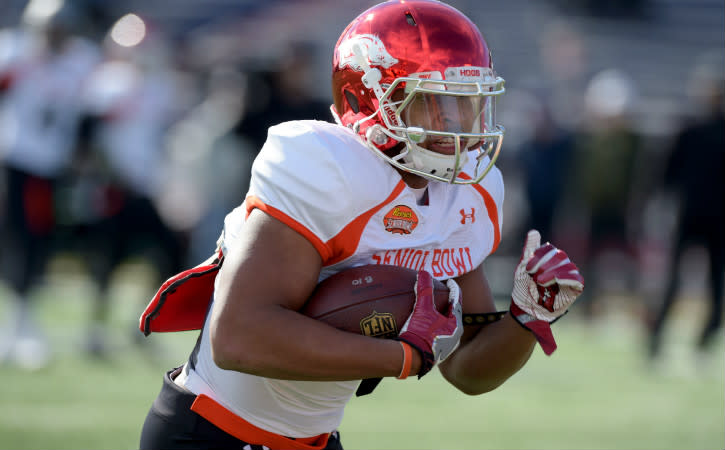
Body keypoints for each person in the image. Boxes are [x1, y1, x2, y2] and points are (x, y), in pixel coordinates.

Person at [138, 2, 585, 449]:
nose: (458, 124)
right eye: (434, 102)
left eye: (467, 103)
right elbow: (237, 337)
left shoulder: (466, 195)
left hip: (315, 439)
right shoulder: (328, 169)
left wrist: (528, 317)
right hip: (210, 433)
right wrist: (402, 357)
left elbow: (467, 368)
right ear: (367, 99)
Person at [647, 57, 724, 359]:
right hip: (693, 216)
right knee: (675, 282)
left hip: (711, 218)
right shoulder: (688, 130)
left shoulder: (692, 130)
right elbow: (666, 175)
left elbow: (666, 176)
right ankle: (657, 338)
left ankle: (704, 338)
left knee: (713, 284)